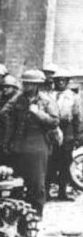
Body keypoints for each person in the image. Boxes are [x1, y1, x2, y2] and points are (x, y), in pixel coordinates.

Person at [0, 70, 59, 215]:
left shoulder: (46, 100)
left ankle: (35, 215)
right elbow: (4, 113)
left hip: (37, 146)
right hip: (19, 146)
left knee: (37, 184)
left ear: (37, 85)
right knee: (17, 183)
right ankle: (17, 214)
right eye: (24, 83)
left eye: (29, 83)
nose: (25, 86)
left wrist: (38, 113)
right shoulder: (18, 99)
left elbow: (55, 121)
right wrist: (7, 142)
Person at [46, 69, 82, 200]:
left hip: (67, 132)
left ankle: (62, 192)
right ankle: (47, 192)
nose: (60, 82)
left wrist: (78, 136)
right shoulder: (48, 95)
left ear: (67, 82)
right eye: (58, 80)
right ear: (54, 81)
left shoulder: (73, 97)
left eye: (63, 80)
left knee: (65, 163)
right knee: (50, 163)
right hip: (51, 130)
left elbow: (78, 117)